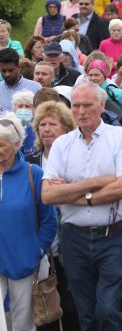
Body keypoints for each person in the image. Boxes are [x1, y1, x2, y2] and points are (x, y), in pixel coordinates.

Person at [41, 82, 122, 330]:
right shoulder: (62, 145)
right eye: (76, 106)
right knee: (87, 314)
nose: (81, 111)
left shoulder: (121, 138)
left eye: (87, 105)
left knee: (107, 310)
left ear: (101, 105)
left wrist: (74, 193)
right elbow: (48, 195)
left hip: (113, 235)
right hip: (75, 238)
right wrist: (96, 183)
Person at [0, 114, 57, 331]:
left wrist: (36, 250)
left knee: (23, 322)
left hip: (24, 260)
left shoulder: (33, 174)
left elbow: (49, 221)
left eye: (1, 145)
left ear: (16, 145)